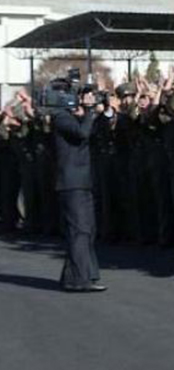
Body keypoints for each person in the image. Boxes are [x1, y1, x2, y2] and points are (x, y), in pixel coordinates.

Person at [51, 87, 106, 292]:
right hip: (72, 183)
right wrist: (90, 112)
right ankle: (79, 280)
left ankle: (77, 275)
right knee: (80, 230)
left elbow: (92, 131)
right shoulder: (61, 118)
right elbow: (82, 133)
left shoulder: (74, 117)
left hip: (82, 181)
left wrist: (95, 112)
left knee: (86, 231)